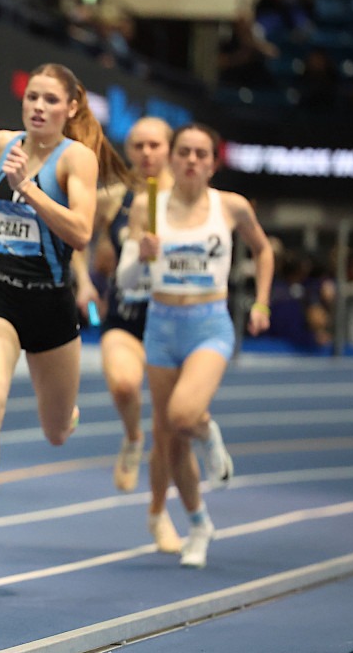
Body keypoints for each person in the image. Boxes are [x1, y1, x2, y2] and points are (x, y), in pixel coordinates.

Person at [0, 62, 130, 571]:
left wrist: (31, 188)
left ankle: (67, 413)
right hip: (0, 296)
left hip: (51, 304)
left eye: (50, 100)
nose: (38, 107)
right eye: (32, 97)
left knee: (56, 431)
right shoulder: (5, 144)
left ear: (71, 108)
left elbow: (81, 233)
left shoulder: (75, 160)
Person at [115, 122, 273, 568]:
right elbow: (126, 282)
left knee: (184, 416)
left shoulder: (231, 206)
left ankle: (208, 430)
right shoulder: (148, 207)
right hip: (162, 328)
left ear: (213, 162)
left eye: (201, 154)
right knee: (170, 442)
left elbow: (263, 251)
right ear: (172, 158)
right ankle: (199, 524)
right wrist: (141, 257)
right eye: (183, 152)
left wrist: (261, 302)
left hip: (208, 326)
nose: (191, 160)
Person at [70, 116, 181, 553]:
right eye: (138, 145)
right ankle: (133, 436)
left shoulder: (190, 200)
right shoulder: (115, 198)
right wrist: (83, 282)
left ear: (170, 147)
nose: (147, 153)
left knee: (170, 426)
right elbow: (77, 238)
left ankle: (159, 513)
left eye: (156, 144)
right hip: (127, 315)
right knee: (121, 383)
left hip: (175, 322)